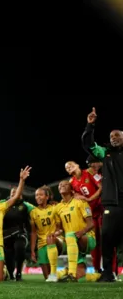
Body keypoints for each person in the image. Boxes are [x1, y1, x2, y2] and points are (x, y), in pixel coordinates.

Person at [82, 107, 123, 282]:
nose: (113, 138)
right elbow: (88, 144)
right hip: (112, 202)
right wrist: (90, 126)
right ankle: (108, 272)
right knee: (106, 237)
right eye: (111, 136)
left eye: (117, 135)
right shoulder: (105, 153)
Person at [52, 181, 99, 282]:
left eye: (65, 185)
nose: (61, 185)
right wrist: (56, 233)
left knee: (70, 235)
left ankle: (71, 273)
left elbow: (91, 224)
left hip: (87, 237)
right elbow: (59, 228)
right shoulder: (58, 208)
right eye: (60, 185)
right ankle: (55, 273)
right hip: (71, 241)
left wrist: (82, 232)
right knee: (50, 239)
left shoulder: (80, 202)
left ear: (71, 189)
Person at [65, 160, 103, 273]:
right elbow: (69, 197)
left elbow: (101, 187)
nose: (69, 167)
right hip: (89, 215)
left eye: (71, 165)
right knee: (94, 243)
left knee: (106, 240)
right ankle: (96, 270)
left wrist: (90, 199)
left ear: (77, 164)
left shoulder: (90, 172)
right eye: (67, 168)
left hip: (101, 209)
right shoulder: (71, 182)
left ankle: (112, 270)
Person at [30, 186, 64, 282]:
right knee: (47, 277)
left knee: (50, 239)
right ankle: (63, 272)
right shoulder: (33, 212)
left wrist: (55, 234)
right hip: (41, 244)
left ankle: (55, 273)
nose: (38, 197)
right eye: (36, 195)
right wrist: (32, 250)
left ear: (47, 197)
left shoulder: (54, 208)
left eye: (41, 195)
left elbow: (59, 228)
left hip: (56, 240)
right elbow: (33, 232)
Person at [1, 186, 35, 281]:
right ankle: (11, 273)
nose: (14, 194)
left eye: (16, 192)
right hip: (6, 236)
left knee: (19, 247)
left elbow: (38, 210)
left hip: (20, 234)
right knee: (8, 256)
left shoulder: (26, 205)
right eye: (12, 192)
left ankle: (19, 272)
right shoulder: (3, 203)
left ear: (20, 194)